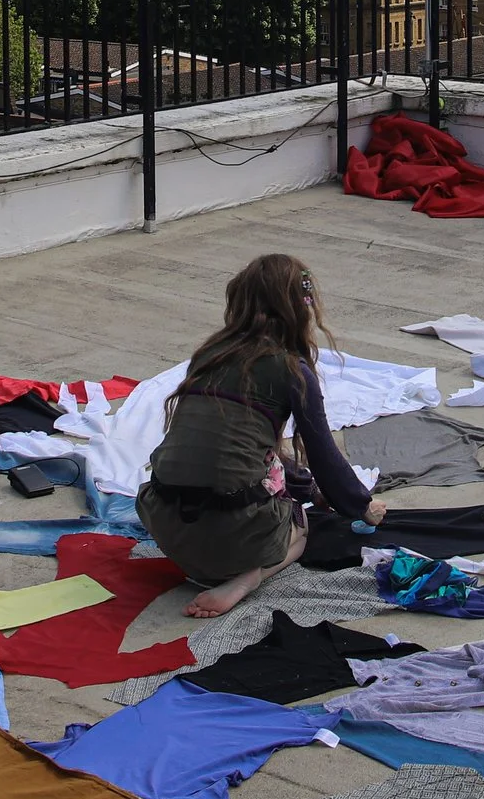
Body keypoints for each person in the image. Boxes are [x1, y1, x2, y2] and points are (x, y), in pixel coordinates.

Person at [139, 254, 386, 617]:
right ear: (301, 309)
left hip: (167, 526)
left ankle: (218, 562)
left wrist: (308, 487)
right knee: (300, 528)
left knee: (259, 476)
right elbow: (323, 456)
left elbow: (243, 450)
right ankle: (247, 579)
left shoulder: (208, 355)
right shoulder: (292, 369)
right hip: (233, 539)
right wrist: (361, 505)